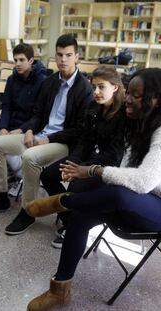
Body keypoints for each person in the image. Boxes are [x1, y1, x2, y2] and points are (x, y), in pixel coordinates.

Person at [25, 68, 161, 311]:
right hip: (132, 199)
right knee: (81, 218)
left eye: (136, 95)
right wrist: (95, 173)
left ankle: (64, 202)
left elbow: (143, 182)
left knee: (115, 192)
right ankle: (59, 289)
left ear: (158, 99)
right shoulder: (141, 122)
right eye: (129, 92)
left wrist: (94, 170)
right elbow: (125, 168)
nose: (128, 98)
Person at [0, 34, 94, 236]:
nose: (63, 60)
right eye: (59, 55)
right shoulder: (50, 82)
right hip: (39, 134)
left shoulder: (85, 88)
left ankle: (28, 210)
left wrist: (47, 138)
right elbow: (38, 114)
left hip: (62, 142)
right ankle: (1, 198)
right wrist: (29, 129)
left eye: (68, 55)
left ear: (77, 57)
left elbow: (79, 130)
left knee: (30, 158)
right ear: (55, 56)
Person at [40, 66, 126, 248]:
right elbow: (85, 140)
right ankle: (69, 220)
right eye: (94, 86)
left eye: (101, 87)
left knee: (76, 185)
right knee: (47, 175)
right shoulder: (94, 106)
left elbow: (113, 156)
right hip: (89, 160)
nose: (96, 92)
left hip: (109, 168)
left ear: (115, 87)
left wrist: (81, 170)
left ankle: (74, 229)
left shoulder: (123, 114)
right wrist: (73, 163)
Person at [0, 43, 47, 196]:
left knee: (0, 146)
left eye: (21, 60)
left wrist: (20, 130)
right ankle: (11, 173)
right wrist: (3, 127)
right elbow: (7, 106)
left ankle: (20, 176)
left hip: (29, 128)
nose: (17, 64)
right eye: (15, 60)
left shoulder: (42, 81)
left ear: (31, 61)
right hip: (9, 126)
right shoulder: (11, 79)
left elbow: (39, 114)